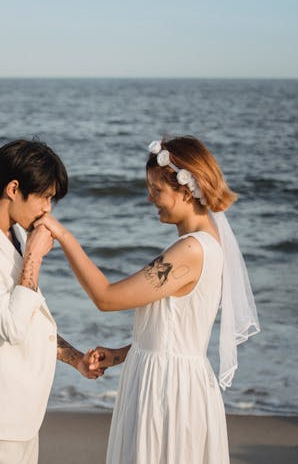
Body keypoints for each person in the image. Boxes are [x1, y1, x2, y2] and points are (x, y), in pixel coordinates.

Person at [35, 136, 260, 464]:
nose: (150, 198)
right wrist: (123, 353)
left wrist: (62, 235)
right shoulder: (203, 245)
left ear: (184, 190)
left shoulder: (191, 251)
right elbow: (175, 328)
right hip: (160, 377)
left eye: (157, 190)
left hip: (168, 391)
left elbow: (106, 298)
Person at [0, 139, 102, 464]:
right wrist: (34, 257)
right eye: (45, 197)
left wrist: (75, 360)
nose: (48, 209)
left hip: (19, 415)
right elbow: (11, 327)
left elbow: (29, 319)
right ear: (14, 189)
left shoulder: (14, 233)